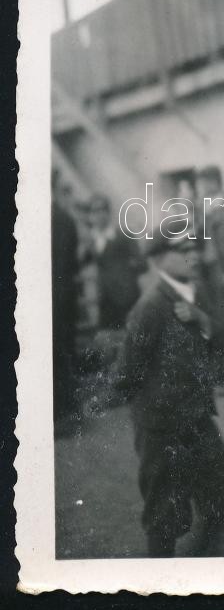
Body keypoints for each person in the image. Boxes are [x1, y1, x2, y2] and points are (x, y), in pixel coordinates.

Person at [119, 231, 224, 557]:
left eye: (194, 247)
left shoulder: (197, 293)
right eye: (182, 249)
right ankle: (161, 579)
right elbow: (126, 372)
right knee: (164, 518)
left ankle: (199, 569)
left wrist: (200, 318)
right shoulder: (151, 305)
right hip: (162, 429)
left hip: (198, 419)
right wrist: (156, 410)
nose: (192, 255)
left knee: (221, 501)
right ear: (158, 259)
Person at [195, 166, 224, 381]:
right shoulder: (202, 208)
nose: (202, 187)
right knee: (211, 319)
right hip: (206, 273)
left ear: (215, 182)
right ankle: (221, 371)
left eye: (205, 182)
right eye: (200, 183)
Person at [87, 194, 145, 331]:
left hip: (126, 297)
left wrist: (124, 275)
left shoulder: (123, 234)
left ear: (108, 213)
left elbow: (142, 264)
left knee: (130, 335)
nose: (99, 216)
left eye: (102, 210)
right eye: (94, 212)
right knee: (107, 336)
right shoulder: (92, 239)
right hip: (105, 299)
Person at [51, 172, 79, 424]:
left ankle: (63, 411)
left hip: (56, 297)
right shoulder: (62, 218)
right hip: (62, 295)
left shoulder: (57, 219)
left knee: (58, 351)